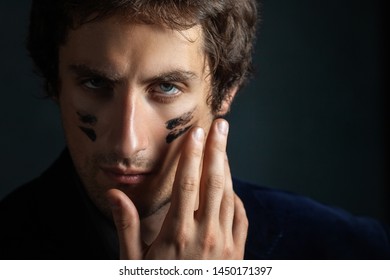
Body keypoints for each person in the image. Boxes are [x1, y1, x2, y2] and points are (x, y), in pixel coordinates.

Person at [0, 0, 389, 260]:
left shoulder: (353, 253)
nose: (126, 143)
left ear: (224, 94)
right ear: (54, 83)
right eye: (96, 84)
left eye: (167, 88)